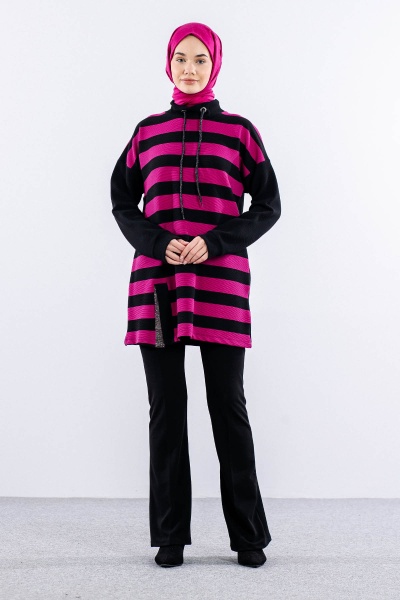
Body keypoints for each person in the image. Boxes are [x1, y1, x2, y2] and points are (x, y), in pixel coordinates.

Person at [110, 22, 281, 568]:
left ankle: (248, 537)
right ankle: (170, 537)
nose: (189, 68)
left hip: (220, 286)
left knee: (228, 407)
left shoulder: (240, 133)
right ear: (168, 63)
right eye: (181, 58)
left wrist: (215, 241)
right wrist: (159, 243)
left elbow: (268, 205)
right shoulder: (147, 133)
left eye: (200, 59)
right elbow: (122, 202)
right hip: (157, 289)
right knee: (166, 409)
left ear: (215, 65)